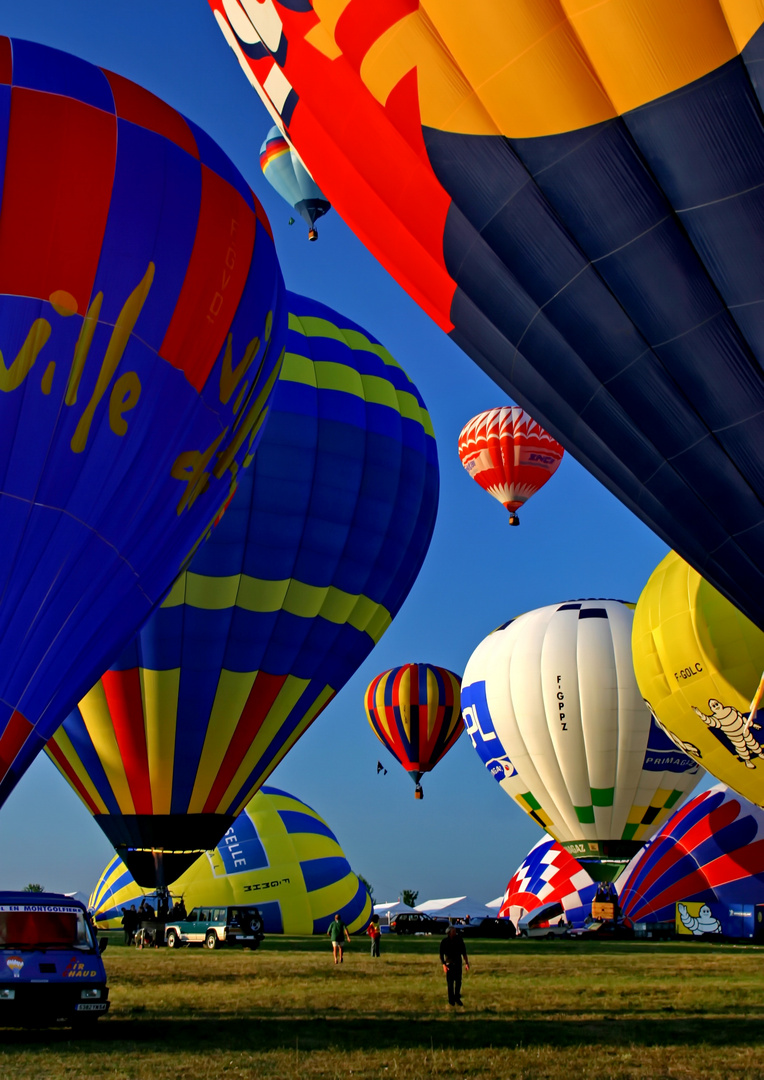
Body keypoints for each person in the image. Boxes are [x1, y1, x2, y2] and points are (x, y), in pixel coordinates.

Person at [439, 925, 469, 1006]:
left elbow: (464, 952)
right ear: (449, 933)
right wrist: (444, 965)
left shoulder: (459, 940)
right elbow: (441, 955)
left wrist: (466, 963)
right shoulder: (444, 942)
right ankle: (451, 1000)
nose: (455, 933)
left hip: (458, 964)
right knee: (450, 983)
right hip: (449, 965)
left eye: (455, 931)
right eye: (453, 931)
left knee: (458, 982)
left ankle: (457, 997)